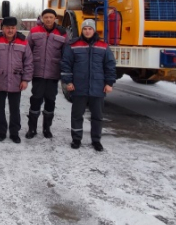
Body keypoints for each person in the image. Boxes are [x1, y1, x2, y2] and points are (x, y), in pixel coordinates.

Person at [60, 19, 116, 151]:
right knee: (77, 115)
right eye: (85, 29)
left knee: (97, 116)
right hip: (79, 87)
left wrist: (109, 83)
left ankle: (96, 140)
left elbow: (110, 66)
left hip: (98, 87)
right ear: (81, 30)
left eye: (90, 29)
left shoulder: (103, 46)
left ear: (94, 30)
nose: (87, 31)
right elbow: (66, 64)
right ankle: (76, 139)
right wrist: (68, 82)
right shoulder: (73, 45)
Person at [0, 16, 33, 143]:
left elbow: (28, 62)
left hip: (16, 81)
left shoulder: (23, 41)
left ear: (16, 28)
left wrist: (25, 80)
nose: (10, 30)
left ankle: (14, 132)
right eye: (7, 28)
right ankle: (1, 131)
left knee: (14, 108)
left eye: (13, 28)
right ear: (3, 28)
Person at [26, 8, 68, 139]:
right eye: (46, 17)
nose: (48, 19)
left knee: (50, 101)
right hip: (38, 73)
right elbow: (27, 52)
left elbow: (66, 54)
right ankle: (32, 129)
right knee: (35, 100)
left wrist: (65, 73)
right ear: (42, 18)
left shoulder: (62, 33)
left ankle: (46, 128)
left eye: (51, 17)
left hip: (53, 74)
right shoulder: (34, 31)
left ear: (55, 19)